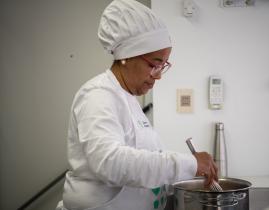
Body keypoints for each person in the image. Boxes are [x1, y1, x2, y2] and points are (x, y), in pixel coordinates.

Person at [57, 0, 218, 209]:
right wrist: (189, 164)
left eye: (163, 66)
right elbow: (110, 163)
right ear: (126, 56)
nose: (158, 76)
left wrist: (184, 178)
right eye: (154, 64)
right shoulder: (98, 95)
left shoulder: (128, 99)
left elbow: (142, 165)